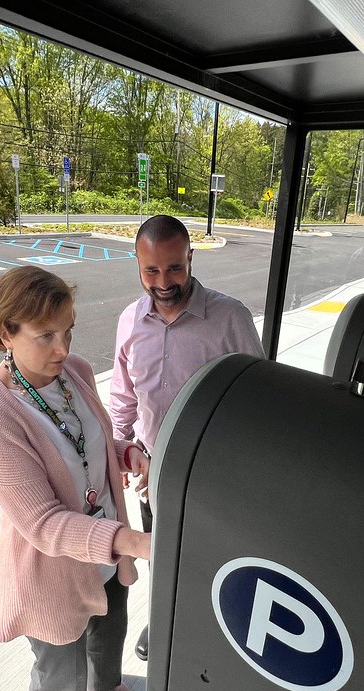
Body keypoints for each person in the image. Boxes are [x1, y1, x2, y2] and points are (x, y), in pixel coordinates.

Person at [0, 266, 151, 691]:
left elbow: (90, 440)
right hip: (53, 569)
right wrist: (134, 541)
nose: (62, 348)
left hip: (106, 549)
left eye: (68, 331)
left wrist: (123, 452)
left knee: (110, 628)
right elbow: (43, 523)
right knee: (58, 671)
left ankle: (106, 684)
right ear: (5, 333)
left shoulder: (76, 372)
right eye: (45, 335)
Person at [110, 214, 265, 661]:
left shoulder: (229, 318)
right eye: (151, 270)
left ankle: (203, 626)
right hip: (152, 469)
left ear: (191, 258)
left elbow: (257, 399)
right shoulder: (129, 321)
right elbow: (124, 395)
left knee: (207, 556)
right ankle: (163, 619)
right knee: (159, 550)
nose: (163, 282)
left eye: (175, 268)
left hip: (212, 472)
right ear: (137, 265)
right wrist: (120, 447)